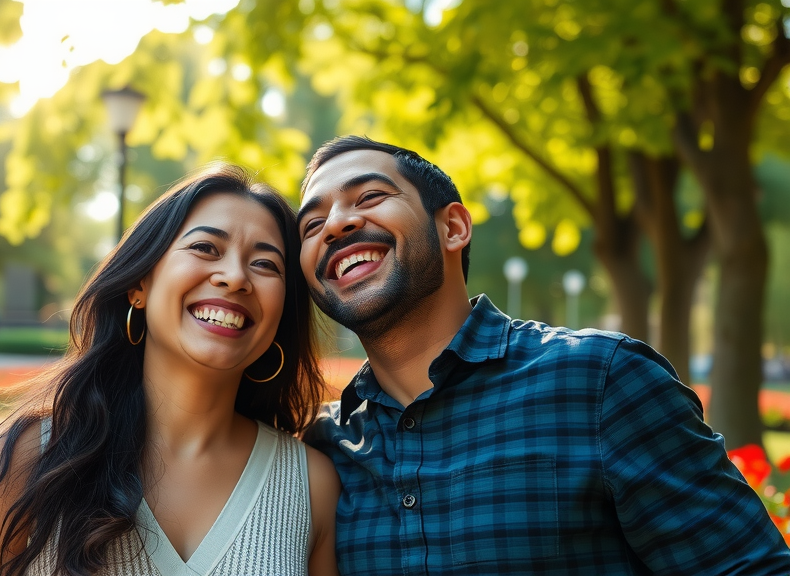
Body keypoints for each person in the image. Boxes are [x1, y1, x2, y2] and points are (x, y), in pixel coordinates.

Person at [297, 135, 790, 574]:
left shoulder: (600, 381)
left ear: (453, 228)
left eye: (370, 196)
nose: (336, 225)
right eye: (312, 224)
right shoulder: (322, 450)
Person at [0, 165, 340, 576]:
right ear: (140, 285)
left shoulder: (311, 486)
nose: (234, 277)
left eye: (265, 264)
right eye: (206, 248)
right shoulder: (24, 460)